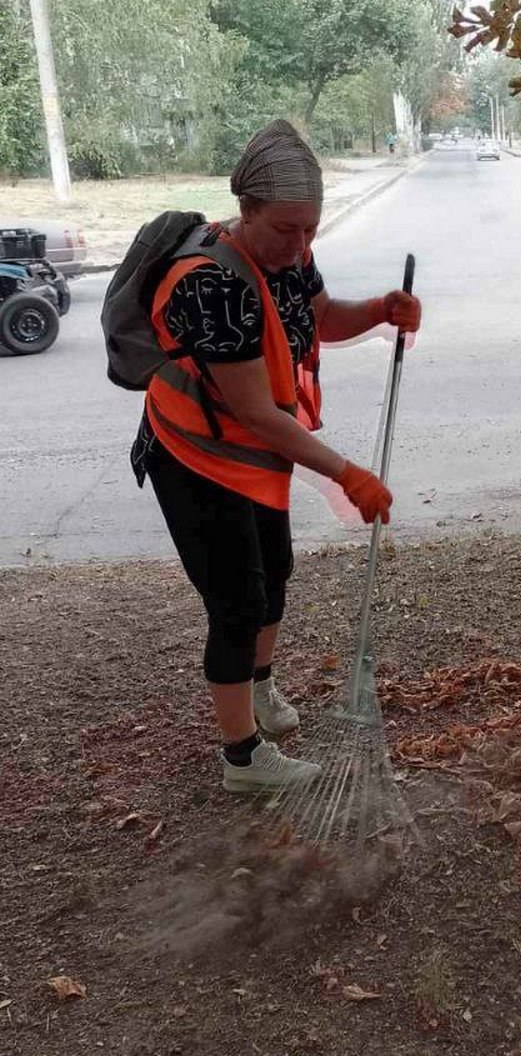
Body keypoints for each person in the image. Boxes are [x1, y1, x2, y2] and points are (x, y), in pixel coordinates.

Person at [129, 119, 422, 794]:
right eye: (286, 229)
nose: (300, 245)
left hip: (252, 454)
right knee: (235, 601)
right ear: (246, 211)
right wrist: (346, 473)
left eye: (311, 229)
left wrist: (381, 308)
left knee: (274, 572)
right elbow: (257, 414)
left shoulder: (290, 254)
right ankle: (243, 758)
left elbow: (318, 317)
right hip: (194, 454)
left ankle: (258, 690)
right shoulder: (211, 284)